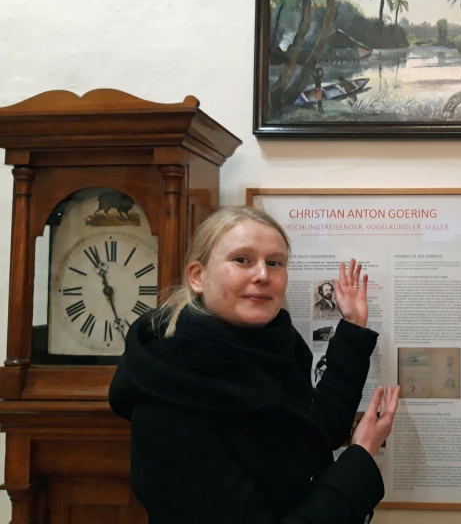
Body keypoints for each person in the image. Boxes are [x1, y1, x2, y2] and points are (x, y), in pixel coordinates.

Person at [108, 206, 399, 524]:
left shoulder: (269, 349)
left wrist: (353, 329)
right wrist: (357, 464)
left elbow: (312, 431)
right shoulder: (170, 396)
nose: (262, 275)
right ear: (198, 276)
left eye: (274, 262)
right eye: (242, 260)